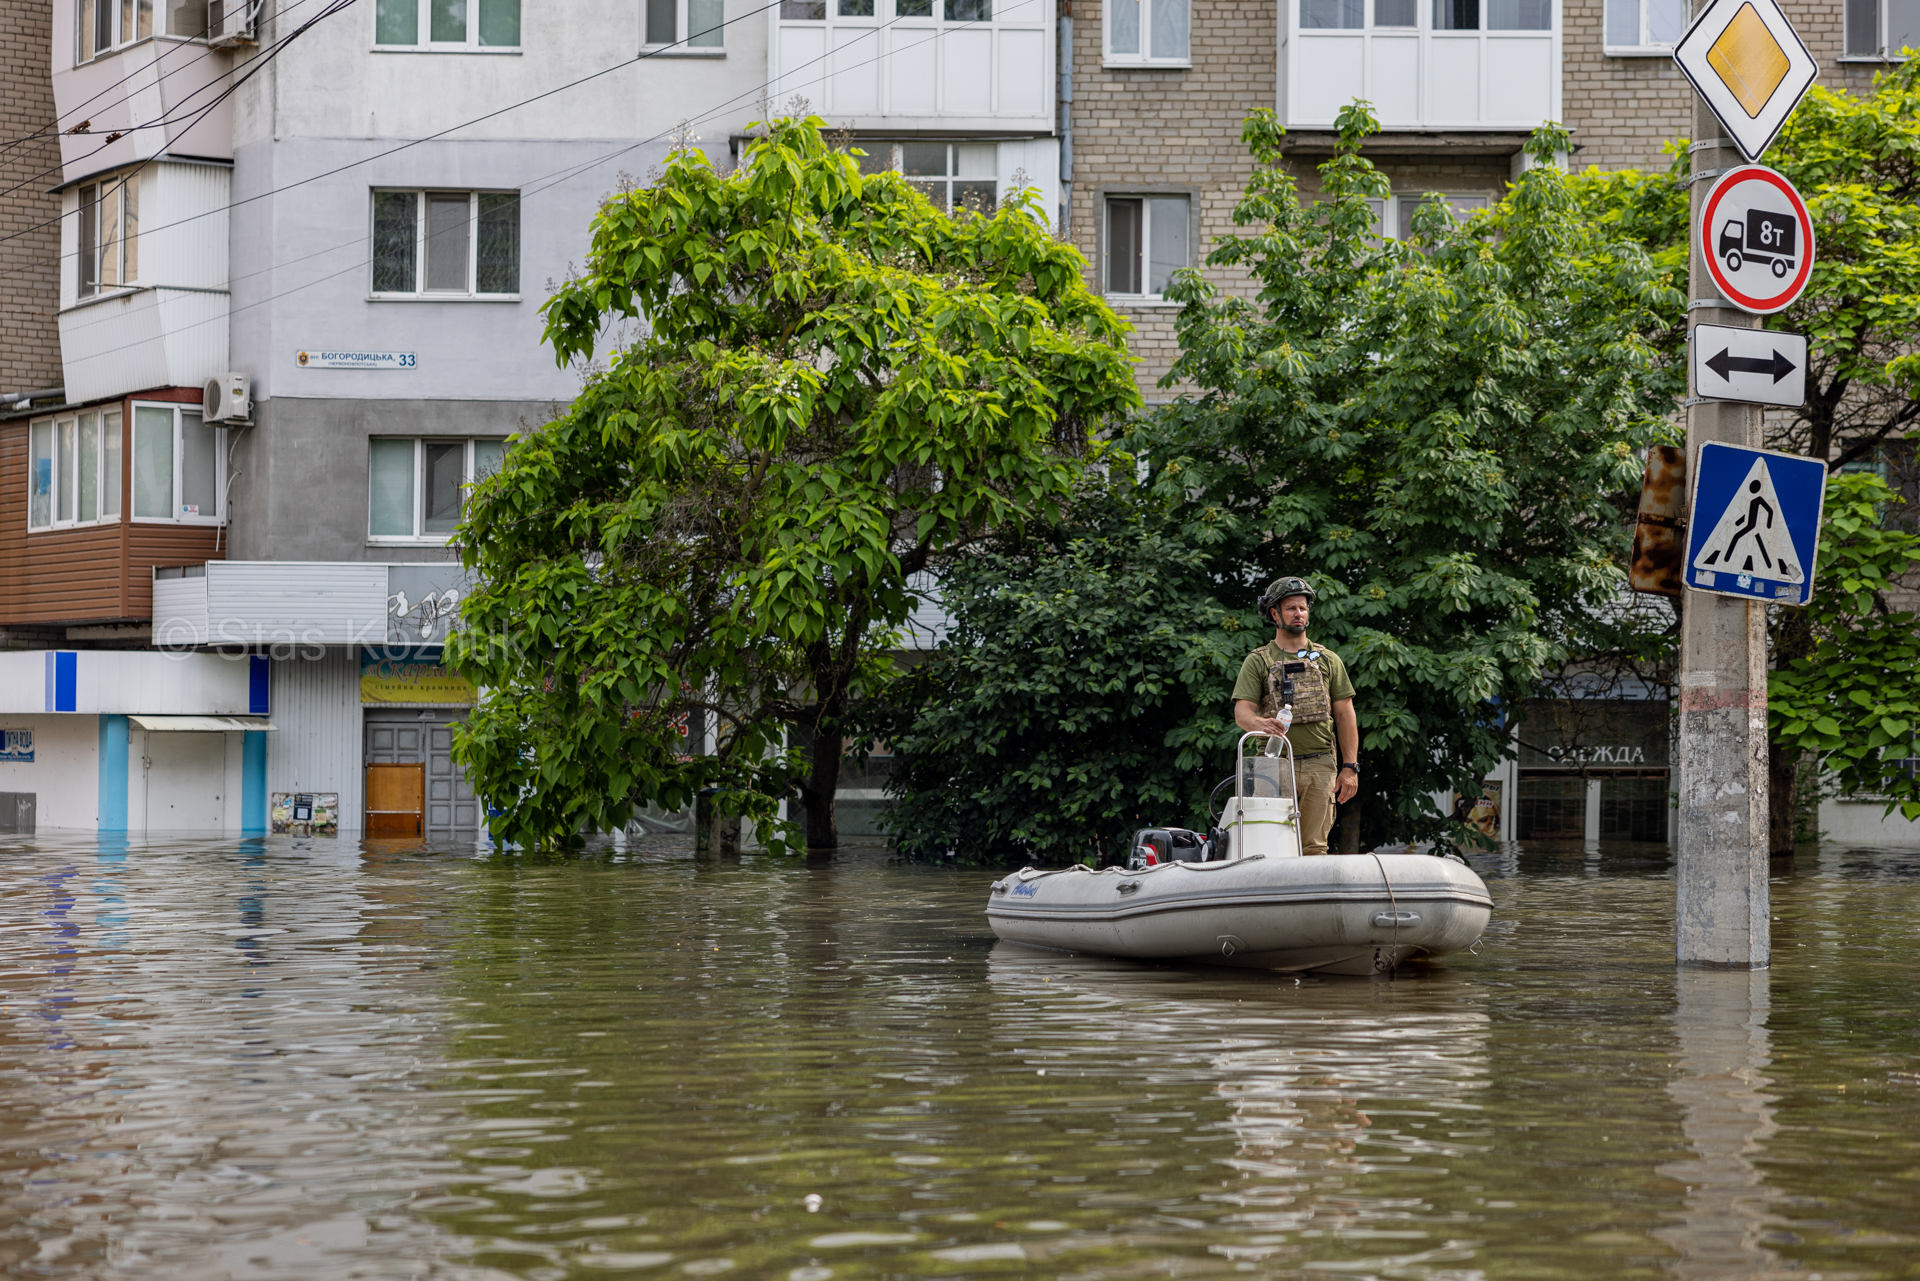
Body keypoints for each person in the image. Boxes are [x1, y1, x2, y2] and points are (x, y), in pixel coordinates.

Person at [1230, 576, 1359, 856]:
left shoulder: (1327, 660)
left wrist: (1350, 767)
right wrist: (1259, 723)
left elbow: (1345, 715)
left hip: (1320, 764)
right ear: (1275, 613)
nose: (1298, 614)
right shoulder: (1259, 660)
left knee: (1314, 848)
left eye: (1302, 607)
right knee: (1266, 845)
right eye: (1290, 608)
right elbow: (1242, 712)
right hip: (1272, 766)